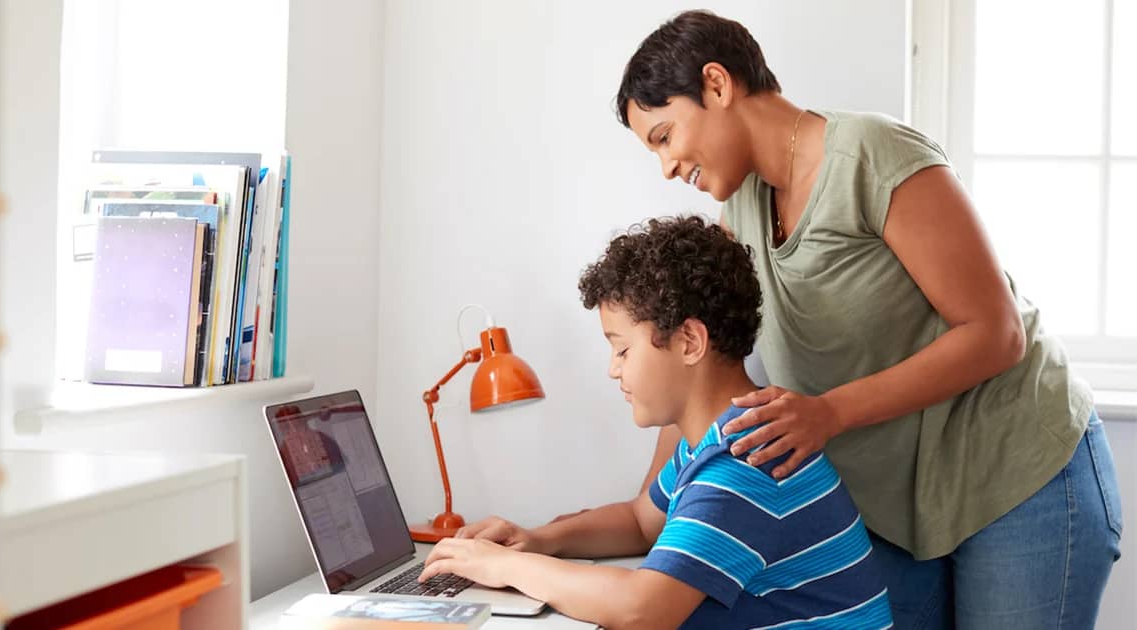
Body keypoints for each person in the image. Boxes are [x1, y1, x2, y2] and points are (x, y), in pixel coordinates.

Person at [598, 9, 1121, 628]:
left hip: (1017, 470)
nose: (665, 167)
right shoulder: (740, 205)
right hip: (902, 503)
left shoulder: (872, 156)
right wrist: (650, 509)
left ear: (717, 84)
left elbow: (996, 334)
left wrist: (829, 413)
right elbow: (700, 357)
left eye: (664, 136)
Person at [420, 216, 892, 629]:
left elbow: (641, 612)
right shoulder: (717, 441)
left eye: (623, 349)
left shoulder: (747, 463)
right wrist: (539, 539)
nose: (613, 369)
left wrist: (503, 566)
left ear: (689, 341)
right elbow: (643, 520)